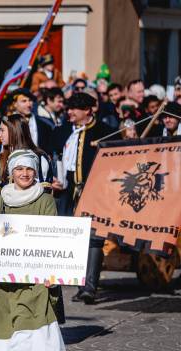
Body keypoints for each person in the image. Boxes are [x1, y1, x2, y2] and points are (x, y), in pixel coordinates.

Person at [0, 149, 69, 351]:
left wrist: (53, 272)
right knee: (9, 325)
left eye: (29, 169)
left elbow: (52, 237)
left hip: (34, 279)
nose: (24, 173)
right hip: (4, 280)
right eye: (19, 169)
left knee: (26, 321)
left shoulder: (45, 200)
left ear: (36, 172)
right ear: (10, 173)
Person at [53, 92, 111, 304]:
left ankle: (90, 287)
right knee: (73, 237)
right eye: (68, 108)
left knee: (94, 239)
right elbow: (53, 152)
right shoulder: (64, 131)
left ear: (88, 110)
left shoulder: (105, 131)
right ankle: (80, 285)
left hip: (95, 192)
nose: (69, 112)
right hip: (70, 192)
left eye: (74, 108)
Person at [0, 114, 55, 206]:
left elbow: (46, 195)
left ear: (14, 131)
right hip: (7, 216)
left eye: (2, 130)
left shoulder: (40, 158)